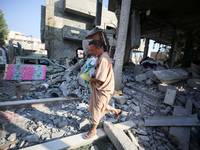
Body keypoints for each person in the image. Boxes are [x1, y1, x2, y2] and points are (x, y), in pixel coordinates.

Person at [84, 39, 122, 139]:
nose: (90, 52)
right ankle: (116, 111)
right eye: (90, 50)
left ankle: (93, 130)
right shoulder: (101, 57)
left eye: (92, 50)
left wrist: (92, 79)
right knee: (100, 105)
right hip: (102, 88)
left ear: (99, 48)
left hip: (103, 88)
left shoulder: (103, 59)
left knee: (97, 108)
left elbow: (101, 80)